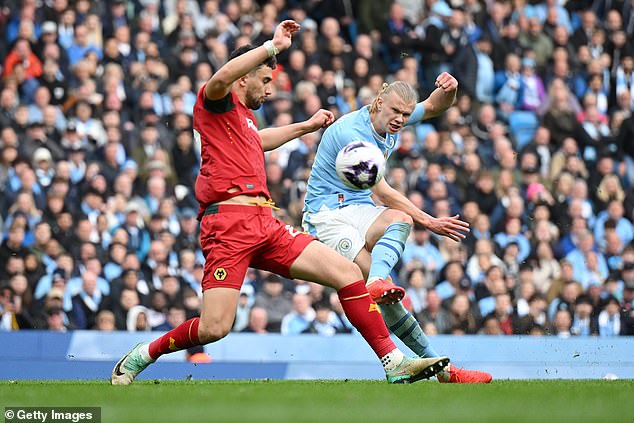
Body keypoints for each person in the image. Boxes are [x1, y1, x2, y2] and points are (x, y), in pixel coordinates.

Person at [111, 20, 448, 385]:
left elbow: (260, 139)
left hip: (265, 223)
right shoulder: (215, 103)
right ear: (244, 78)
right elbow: (222, 75)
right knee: (215, 327)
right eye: (265, 80)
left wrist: (305, 126)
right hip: (228, 227)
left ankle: (393, 362)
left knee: (348, 273)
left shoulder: (244, 121)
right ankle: (144, 354)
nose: (270, 90)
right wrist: (272, 47)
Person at [302, 73, 491, 383]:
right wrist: (429, 221)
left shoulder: (394, 114)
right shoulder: (353, 134)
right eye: (396, 113)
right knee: (390, 294)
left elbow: (433, 106)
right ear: (379, 103)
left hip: (357, 208)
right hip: (327, 216)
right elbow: (383, 191)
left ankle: (379, 284)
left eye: (406, 114)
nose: (401, 120)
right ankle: (445, 372)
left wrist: (452, 90)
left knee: (400, 222)